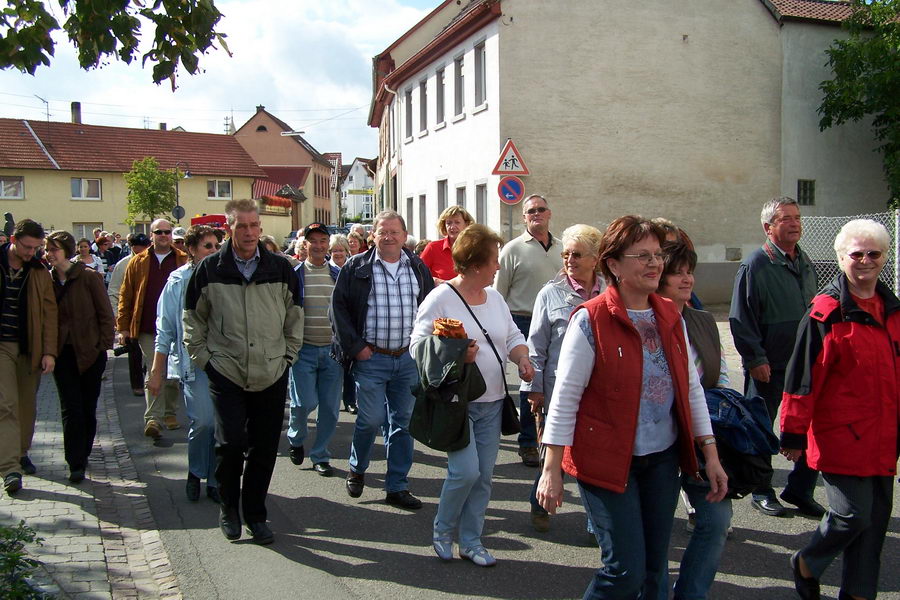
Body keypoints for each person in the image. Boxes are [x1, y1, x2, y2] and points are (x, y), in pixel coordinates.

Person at [537, 216, 727, 599]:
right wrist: (550, 470)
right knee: (624, 571)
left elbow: (690, 390)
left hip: (660, 460)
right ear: (614, 264)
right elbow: (565, 400)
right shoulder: (590, 320)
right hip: (606, 461)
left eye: (657, 255)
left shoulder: (671, 315)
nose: (655, 263)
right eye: (642, 256)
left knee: (655, 568)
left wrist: (710, 453)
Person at [780, 220, 898, 600]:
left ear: (884, 258)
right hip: (840, 435)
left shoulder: (894, 311)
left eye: (873, 253)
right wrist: (793, 432)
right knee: (852, 516)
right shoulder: (826, 312)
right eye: (856, 254)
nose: (864, 260)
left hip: (884, 436)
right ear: (841, 258)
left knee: (874, 529)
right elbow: (802, 377)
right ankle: (808, 561)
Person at [411, 224, 533, 566]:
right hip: (457, 403)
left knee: (484, 476)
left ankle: (472, 541)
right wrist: (454, 353)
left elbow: (510, 336)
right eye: (494, 260)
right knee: (465, 472)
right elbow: (417, 346)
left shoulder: (494, 298)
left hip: (492, 402)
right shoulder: (441, 297)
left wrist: (522, 357)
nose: (498, 267)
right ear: (477, 263)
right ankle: (442, 529)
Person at [184, 199, 302, 545]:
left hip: (271, 370)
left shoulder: (280, 268)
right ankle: (228, 508)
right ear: (229, 229)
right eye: (242, 227)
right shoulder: (209, 270)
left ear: (260, 228)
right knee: (231, 443)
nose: (249, 233)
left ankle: (255, 514)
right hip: (227, 371)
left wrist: (287, 357)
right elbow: (192, 318)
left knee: (265, 448)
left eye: (254, 226)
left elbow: (295, 318)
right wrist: (205, 359)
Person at [330, 209, 435, 509]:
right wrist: (357, 348)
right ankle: (357, 468)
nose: (388, 237)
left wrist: (424, 348)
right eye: (382, 231)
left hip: (407, 359)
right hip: (371, 358)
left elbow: (429, 309)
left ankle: (397, 486)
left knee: (403, 423)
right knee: (371, 419)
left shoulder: (417, 266)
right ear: (372, 235)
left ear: (404, 236)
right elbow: (338, 312)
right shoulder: (355, 267)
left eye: (394, 232)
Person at [729, 197, 821, 518]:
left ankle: (800, 488)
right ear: (768, 227)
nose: (795, 223)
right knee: (760, 428)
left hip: (805, 363)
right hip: (770, 364)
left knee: (811, 426)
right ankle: (762, 489)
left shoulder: (804, 260)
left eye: (797, 217)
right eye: (786, 219)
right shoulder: (755, 264)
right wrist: (755, 358)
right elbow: (741, 318)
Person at [657, 240, 733, 600]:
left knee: (716, 521)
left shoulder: (703, 320)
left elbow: (722, 377)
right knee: (654, 532)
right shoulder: (646, 322)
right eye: (678, 273)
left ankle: (691, 593)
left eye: (690, 272)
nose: (687, 279)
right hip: (657, 443)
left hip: (702, 441)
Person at [521, 224, 605, 533]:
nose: (569, 260)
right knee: (553, 452)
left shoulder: (611, 291)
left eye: (577, 254)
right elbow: (536, 346)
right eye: (566, 254)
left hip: (599, 390)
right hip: (559, 389)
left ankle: (595, 523)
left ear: (596, 258)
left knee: (594, 458)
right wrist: (534, 388)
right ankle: (539, 502)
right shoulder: (550, 293)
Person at [148, 225, 223, 503]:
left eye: (217, 246)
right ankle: (195, 471)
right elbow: (165, 328)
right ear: (191, 249)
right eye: (207, 246)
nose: (214, 251)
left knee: (220, 424)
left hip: (226, 364)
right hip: (193, 363)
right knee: (203, 421)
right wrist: (157, 370)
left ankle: (216, 479)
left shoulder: (227, 277)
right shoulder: (178, 280)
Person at [494, 194, 563, 468]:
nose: (536, 214)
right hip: (522, 320)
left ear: (549, 213)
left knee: (556, 380)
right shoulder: (512, 249)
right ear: (524, 217)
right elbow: (499, 293)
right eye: (531, 211)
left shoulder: (562, 247)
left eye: (541, 209)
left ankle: (555, 437)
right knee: (528, 381)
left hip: (556, 322)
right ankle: (528, 442)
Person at [45, 231, 114, 483]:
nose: (49, 254)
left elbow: (105, 314)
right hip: (62, 354)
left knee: (87, 407)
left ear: (67, 251)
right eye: (47, 250)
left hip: (90, 351)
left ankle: (83, 452)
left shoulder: (88, 277)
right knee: (70, 407)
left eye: (54, 249)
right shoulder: (47, 280)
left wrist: (104, 347)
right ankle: (75, 461)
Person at [0, 219, 57, 495]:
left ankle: (21, 452)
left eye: (35, 248)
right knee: (6, 404)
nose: (30, 253)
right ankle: (10, 468)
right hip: (2, 346)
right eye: (26, 247)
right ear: (13, 239)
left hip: (30, 346)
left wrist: (48, 351)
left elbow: (49, 315)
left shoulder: (39, 272)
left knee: (27, 406)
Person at [117, 219, 188, 438]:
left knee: (173, 373)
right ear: (151, 234)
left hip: (176, 326)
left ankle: (169, 412)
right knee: (155, 369)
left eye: (167, 232)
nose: (164, 235)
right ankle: (153, 419)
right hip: (148, 327)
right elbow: (126, 294)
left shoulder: (182, 259)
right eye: (159, 232)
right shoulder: (138, 261)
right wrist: (123, 327)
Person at [286, 223, 342, 476]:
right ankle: (296, 438)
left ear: (327, 244)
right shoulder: (295, 275)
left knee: (330, 409)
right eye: (313, 241)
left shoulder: (338, 275)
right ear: (304, 245)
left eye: (322, 240)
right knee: (303, 403)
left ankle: (321, 455)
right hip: (303, 351)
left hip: (332, 352)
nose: (318, 246)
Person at [108, 233, 150, 397]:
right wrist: (118, 318)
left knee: (152, 351)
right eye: (136, 249)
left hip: (148, 313)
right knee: (134, 352)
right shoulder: (124, 264)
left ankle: (149, 378)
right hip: (131, 315)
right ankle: (137, 384)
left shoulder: (153, 261)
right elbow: (114, 291)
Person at [420, 205, 474, 284]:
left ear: (466, 224)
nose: (452, 226)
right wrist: (435, 281)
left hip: (469, 295)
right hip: (441, 295)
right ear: (444, 225)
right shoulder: (433, 248)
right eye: (449, 223)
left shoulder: (474, 248)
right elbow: (418, 274)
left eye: (457, 222)